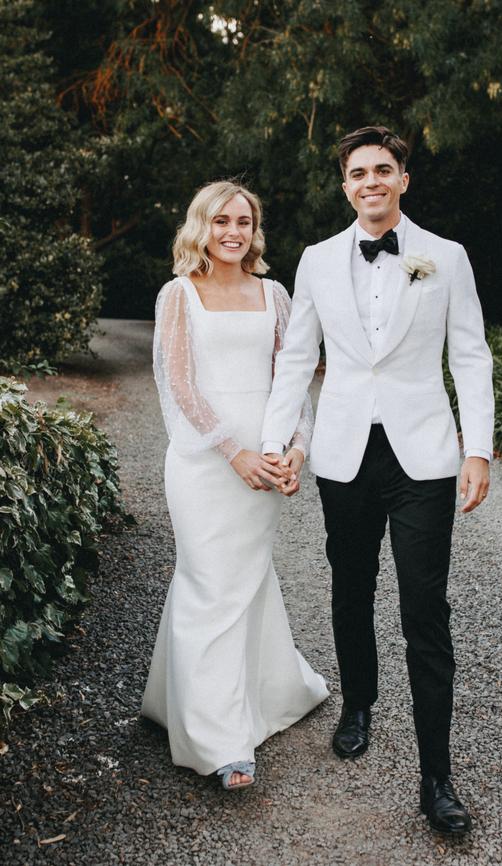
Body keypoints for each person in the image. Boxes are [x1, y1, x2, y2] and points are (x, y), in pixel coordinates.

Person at [261, 126, 494, 834]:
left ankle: (436, 779)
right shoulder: (317, 260)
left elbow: (472, 356)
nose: (371, 182)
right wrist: (277, 442)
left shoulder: (444, 258)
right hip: (343, 453)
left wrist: (477, 449)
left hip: (423, 454)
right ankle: (359, 700)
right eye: (358, 172)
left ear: (403, 180)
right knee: (350, 584)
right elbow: (297, 358)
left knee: (425, 607)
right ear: (345, 185)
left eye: (383, 170)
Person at [141, 180, 328, 790]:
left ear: (255, 230)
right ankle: (218, 741)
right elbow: (180, 387)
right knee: (208, 580)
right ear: (201, 226)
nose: (233, 232)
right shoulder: (179, 295)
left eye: (244, 222)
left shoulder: (274, 294)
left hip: (267, 456)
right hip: (205, 460)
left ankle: (188, 699)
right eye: (221, 221)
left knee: (242, 577)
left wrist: (295, 448)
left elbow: (292, 379)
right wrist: (233, 452)